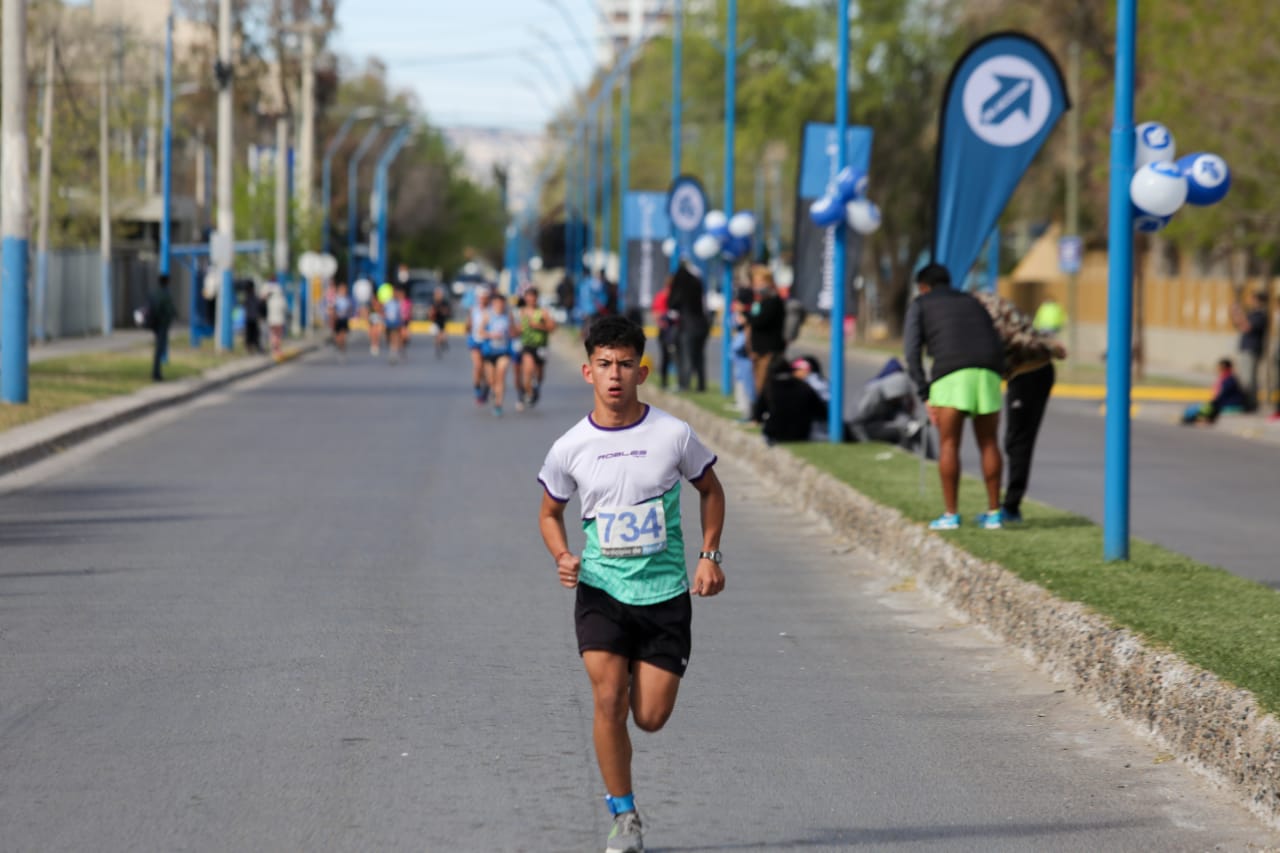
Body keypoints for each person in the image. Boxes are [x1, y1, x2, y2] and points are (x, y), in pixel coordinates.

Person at [537, 315, 725, 853]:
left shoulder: (673, 434)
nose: (614, 375)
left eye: (624, 365)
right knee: (607, 700)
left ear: (641, 371)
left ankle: (628, 795)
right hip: (601, 590)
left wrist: (710, 554)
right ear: (587, 371)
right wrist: (563, 555)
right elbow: (550, 513)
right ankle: (624, 815)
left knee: (650, 717)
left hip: (665, 595)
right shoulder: (570, 447)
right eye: (604, 365)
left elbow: (712, 492)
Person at [904, 263, 1006, 530]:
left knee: (949, 444)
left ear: (923, 287)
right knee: (989, 442)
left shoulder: (921, 304)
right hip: (987, 372)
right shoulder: (973, 302)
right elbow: (996, 340)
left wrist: (924, 392)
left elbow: (911, 351)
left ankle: (951, 515)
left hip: (950, 374)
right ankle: (994, 514)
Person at [972, 289, 1068, 523]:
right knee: (1014, 441)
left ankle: (1011, 508)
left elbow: (1012, 336)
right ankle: (1011, 505)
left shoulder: (983, 309)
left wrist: (1049, 347)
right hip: (1025, 374)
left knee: (1018, 442)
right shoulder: (985, 301)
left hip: (1030, 373)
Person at [750, 354, 828, 444]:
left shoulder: (769, 387)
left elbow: (758, 414)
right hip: (802, 434)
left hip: (775, 434)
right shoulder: (804, 386)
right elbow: (820, 411)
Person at [746, 265, 787, 398]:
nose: (758, 286)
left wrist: (747, 317)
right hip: (757, 349)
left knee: (764, 385)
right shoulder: (760, 302)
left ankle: (763, 415)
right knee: (757, 383)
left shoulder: (774, 301)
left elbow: (759, 321)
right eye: (756, 283)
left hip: (769, 350)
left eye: (761, 282)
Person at [668, 262, 709, 392]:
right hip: (702, 324)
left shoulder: (681, 285)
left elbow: (673, 303)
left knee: (686, 356)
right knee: (699, 356)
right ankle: (701, 385)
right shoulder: (698, 283)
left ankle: (684, 385)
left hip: (689, 325)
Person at [517, 287, 555, 410]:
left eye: (533, 297)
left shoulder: (543, 312)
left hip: (541, 346)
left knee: (539, 373)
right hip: (527, 345)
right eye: (528, 297)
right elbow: (517, 327)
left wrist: (538, 325)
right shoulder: (521, 312)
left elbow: (552, 327)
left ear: (536, 298)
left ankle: (536, 387)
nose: (531, 299)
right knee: (528, 370)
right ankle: (529, 392)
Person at [1229, 290, 1267, 412]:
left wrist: (1240, 313)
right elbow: (1239, 325)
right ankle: (1248, 403)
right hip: (1245, 348)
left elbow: (1247, 327)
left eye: (1252, 299)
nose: (1250, 301)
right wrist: (1235, 313)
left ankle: (1251, 404)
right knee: (1245, 378)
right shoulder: (1252, 313)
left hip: (1252, 349)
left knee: (1249, 380)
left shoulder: (1260, 315)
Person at [480, 292, 515, 416]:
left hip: (503, 352)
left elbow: (513, 331)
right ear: (493, 303)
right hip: (489, 352)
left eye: (502, 303)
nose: (499, 305)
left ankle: (498, 404)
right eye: (497, 303)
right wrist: (491, 335)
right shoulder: (487, 315)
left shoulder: (508, 315)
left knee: (501, 375)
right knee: (491, 381)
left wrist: (513, 333)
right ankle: (492, 391)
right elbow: (480, 332)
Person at [1182, 358, 1248, 425]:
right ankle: (1194, 419)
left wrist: (1212, 403)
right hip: (1225, 403)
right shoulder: (1225, 378)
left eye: (1220, 368)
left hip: (1231, 405)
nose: (1218, 370)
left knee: (1203, 408)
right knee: (1200, 407)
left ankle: (1194, 419)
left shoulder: (1230, 380)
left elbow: (1222, 395)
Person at [731, 286, 756, 418]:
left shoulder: (750, 317)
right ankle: (743, 408)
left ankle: (750, 413)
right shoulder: (737, 316)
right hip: (739, 354)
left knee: (749, 385)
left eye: (739, 303)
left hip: (746, 355)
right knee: (741, 380)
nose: (735, 305)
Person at [146, 274, 177, 381]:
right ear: (167, 282)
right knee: (160, 349)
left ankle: (156, 372)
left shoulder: (154, 293)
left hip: (154, 324)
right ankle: (156, 374)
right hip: (162, 324)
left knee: (159, 349)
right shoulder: (165, 294)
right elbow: (170, 310)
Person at [650, 276, 678, 390]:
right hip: (666, 331)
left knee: (670, 358)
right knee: (667, 357)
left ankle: (668, 382)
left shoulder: (668, 296)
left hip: (671, 331)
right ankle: (665, 382)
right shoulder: (663, 296)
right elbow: (656, 314)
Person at [465, 287, 492, 405]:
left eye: (484, 298)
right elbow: (468, 326)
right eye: (480, 298)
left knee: (487, 369)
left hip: (488, 342)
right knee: (478, 366)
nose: (482, 300)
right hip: (475, 341)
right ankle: (477, 388)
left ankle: (486, 387)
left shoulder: (492, 310)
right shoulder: (473, 310)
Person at [265, 279, 288, 358]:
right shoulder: (281, 298)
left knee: (273, 334)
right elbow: (285, 308)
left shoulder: (270, 299)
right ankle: (277, 349)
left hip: (272, 319)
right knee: (278, 335)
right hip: (279, 319)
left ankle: (273, 349)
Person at [330, 282, 354, 359]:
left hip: (344, 319)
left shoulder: (348, 299)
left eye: (344, 289)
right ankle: (339, 347)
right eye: (342, 289)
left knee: (343, 336)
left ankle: (342, 349)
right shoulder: (336, 299)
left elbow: (351, 309)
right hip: (337, 319)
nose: (343, 291)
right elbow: (332, 308)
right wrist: (333, 317)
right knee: (337, 336)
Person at [428, 285, 452, 358]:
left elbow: (447, 312)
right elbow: (430, 313)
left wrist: (442, 311)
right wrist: (433, 313)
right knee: (437, 337)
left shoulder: (444, 302)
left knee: (443, 337)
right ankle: (437, 349)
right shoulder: (432, 302)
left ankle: (443, 344)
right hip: (435, 322)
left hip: (442, 322)